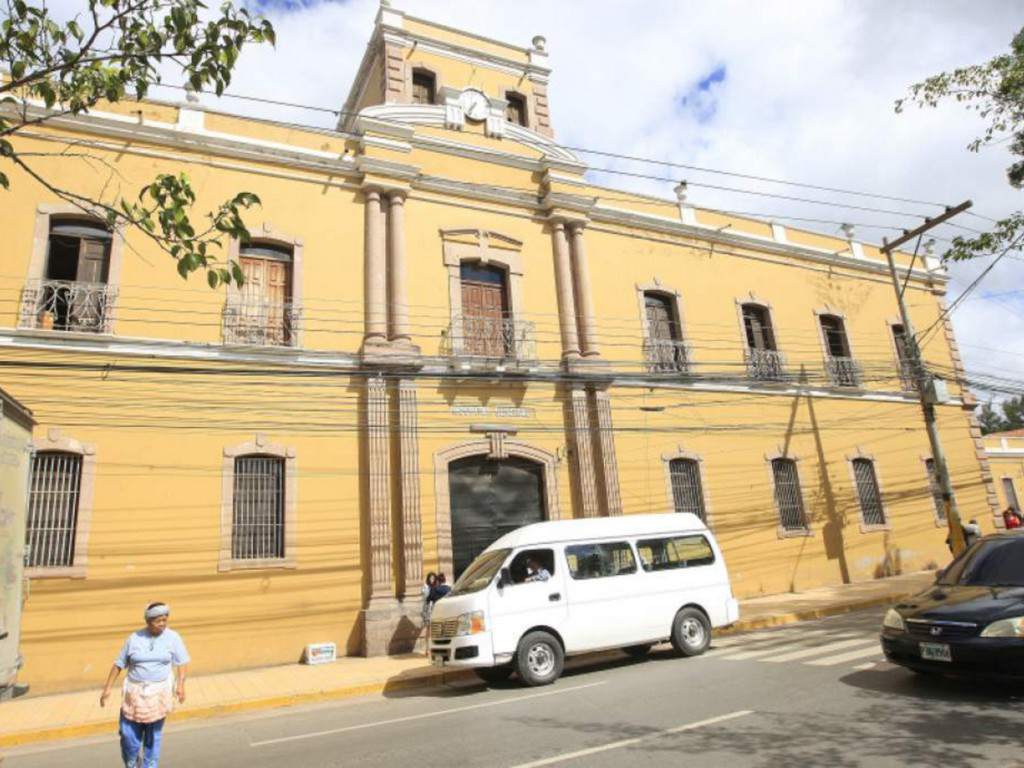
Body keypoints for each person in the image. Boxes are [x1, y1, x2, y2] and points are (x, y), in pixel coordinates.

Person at [100, 602, 189, 768]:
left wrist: (180, 685)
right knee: (127, 736)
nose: (163, 623)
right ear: (148, 621)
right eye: (158, 620)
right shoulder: (134, 639)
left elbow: (182, 662)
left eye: (165, 619)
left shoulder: (173, 638)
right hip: (134, 694)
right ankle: (133, 763)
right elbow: (119, 664)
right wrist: (107, 688)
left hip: (159, 694)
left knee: (153, 737)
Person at [420, 572, 438, 655]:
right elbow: (424, 597)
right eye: (431, 578)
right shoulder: (425, 587)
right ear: (428, 578)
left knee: (434, 630)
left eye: (433, 578)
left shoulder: (436, 587)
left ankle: (433, 648)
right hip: (428, 610)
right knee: (428, 630)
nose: (432, 579)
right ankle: (427, 649)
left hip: (435, 609)